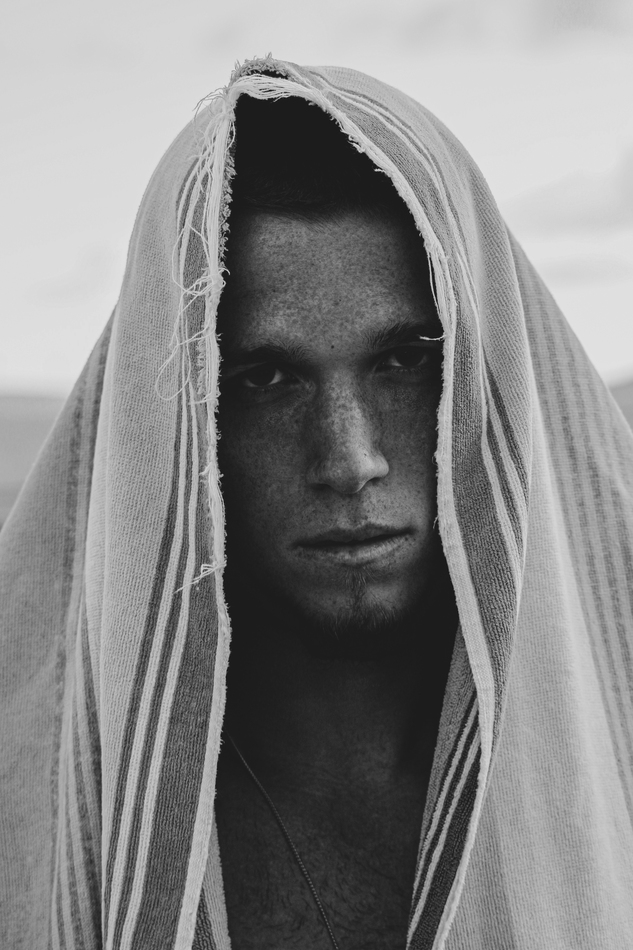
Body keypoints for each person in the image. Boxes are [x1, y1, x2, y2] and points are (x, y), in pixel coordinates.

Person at [1, 57, 633, 950]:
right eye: (267, 379)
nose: (349, 460)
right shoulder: (31, 799)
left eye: (404, 362)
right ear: (181, 424)